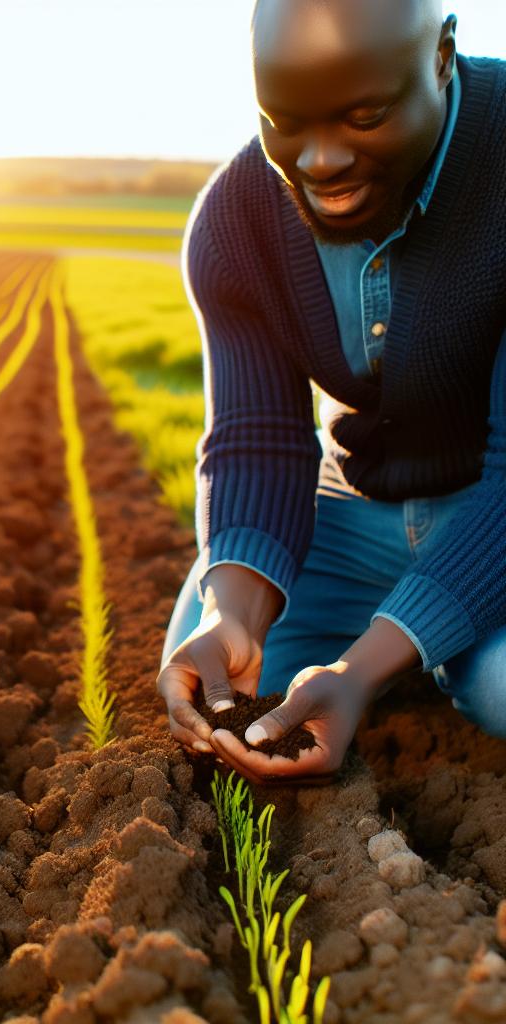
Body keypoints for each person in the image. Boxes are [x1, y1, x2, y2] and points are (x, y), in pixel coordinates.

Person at [156, 0, 506, 784]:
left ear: (443, 56)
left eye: (365, 116)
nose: (319, 162)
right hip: (351, 504)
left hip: (491, 495)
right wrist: (232, 614)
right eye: (285, 121)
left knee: (502, 690)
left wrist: (361, 672)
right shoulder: (237, 219)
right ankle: (422, 637)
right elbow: (259, 439)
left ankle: (422, 646)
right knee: (216, 677)